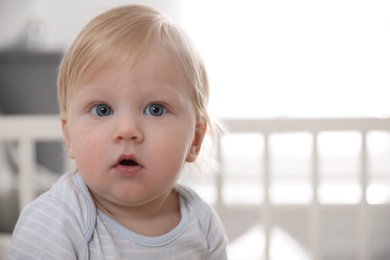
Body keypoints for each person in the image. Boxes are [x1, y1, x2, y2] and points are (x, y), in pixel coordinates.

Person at [7, 5, 227, 260]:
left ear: (195, 140)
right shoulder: (56, 223)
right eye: (102, 110)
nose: (127, 131)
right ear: (69, 137)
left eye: (155, 109)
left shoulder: (202, 224)